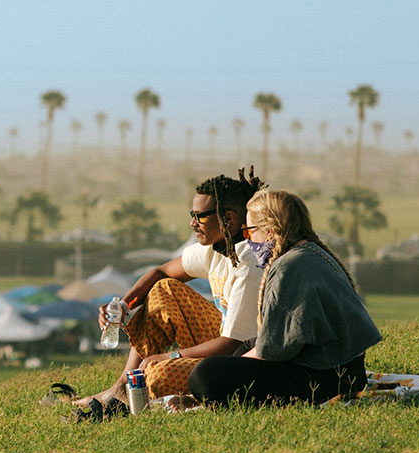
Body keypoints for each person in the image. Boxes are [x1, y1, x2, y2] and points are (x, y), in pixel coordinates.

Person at [74, 167, 265, 408]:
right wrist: (124, 305)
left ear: (228, 218)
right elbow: (160, 272)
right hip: (222, 343)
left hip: (243, 361)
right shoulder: (216, 249)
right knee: (164, 289)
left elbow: (233, 344)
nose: (192, 223)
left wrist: (169, 357)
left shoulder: (249, 264)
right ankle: (122, 386)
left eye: (200, 216)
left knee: (156, 375)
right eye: (191, 214)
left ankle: (139, 390)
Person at [187, 189, 383, 407]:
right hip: (346, 369)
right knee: (243, 348)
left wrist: (232, 365)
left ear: (270, 231)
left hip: (327, 379)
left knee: (205, 375)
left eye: (250, 231)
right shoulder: (312, 252)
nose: (248, 239)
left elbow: (273, 351)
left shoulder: (289, 268)